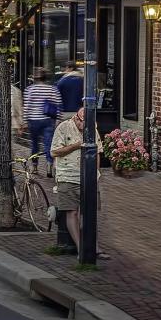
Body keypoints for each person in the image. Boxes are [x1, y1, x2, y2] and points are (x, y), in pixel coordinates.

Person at [50, 108, 108, 259]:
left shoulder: (92, 129)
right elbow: (54, 152)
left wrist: (96, 172)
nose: (86, 128)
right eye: (84, 124)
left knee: (90, 213)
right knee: (72, 212)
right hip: (68, 176)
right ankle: (80, 247)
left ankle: (94, 246)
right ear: (77, 118)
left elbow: (98, 151)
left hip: (89, 177)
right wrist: (74, 146)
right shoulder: (63, 128)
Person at [21, 68, 61, 177]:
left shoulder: (30, 89)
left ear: (35, 78)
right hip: (48, 120)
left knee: (34, 144)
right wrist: (58, 120)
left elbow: (27, 107)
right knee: (48, 144)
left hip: (33, 120)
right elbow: (58, 104)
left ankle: (35, 166)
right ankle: (49, 165)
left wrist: (24, 121)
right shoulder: (52, 89)